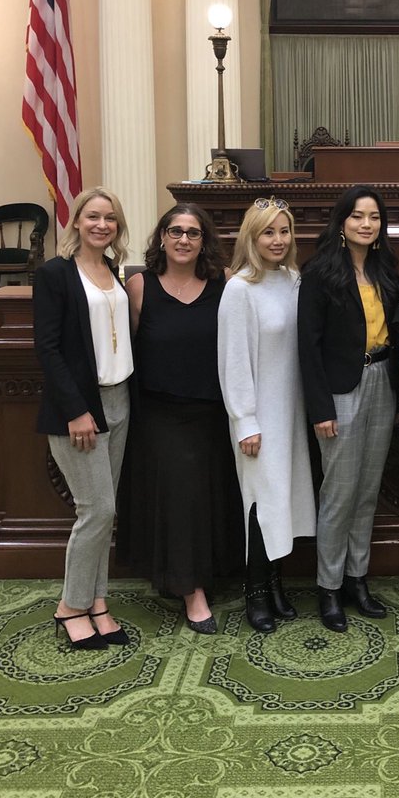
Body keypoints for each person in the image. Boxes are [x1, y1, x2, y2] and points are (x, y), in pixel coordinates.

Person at [121, 203, 243, 634]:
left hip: (212, 412)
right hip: (160, 413)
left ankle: (200, 574)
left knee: (207, 497)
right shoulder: (139, 286)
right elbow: (125, 351)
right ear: (161, 238)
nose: (184, 239)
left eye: (193, 233)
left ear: (204, 241)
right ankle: (193, 593)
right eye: (175, 231)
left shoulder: (225, 284)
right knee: (183, 493)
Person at [33, 187, 133, 650]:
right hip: (80, 408)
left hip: (119, 400)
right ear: (75, 221)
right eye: (92, 216)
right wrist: (76, 411)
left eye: (109, 218)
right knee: (97, 510)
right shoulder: (55, 274)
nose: (101, 225)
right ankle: (70, 606)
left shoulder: (112, 270)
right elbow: (48, 349)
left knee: (103, 515)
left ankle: (98, 602)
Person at [298, 185, 399, 633]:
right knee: (338, 493)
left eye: (374, 217)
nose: (366, 224)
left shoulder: (385, 269)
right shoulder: (320, 272)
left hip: (382, 381)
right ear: (342, 222)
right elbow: (307, 346)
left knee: (367, 490)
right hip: (339, 391)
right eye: (358, 216)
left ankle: (358, 580)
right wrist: (320, 408)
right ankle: (329, 588)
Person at [219, 197, 316, 634]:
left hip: (292, 412)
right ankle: (255, 591)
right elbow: (233, 362)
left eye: (283, 231)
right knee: (260, 504)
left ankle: (276, 583)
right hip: (259, 419)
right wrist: (245, 422)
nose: (277, 240)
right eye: (268, 232)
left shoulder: (294, 279)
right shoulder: (240, 288)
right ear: (251, 237)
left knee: (286, 502)